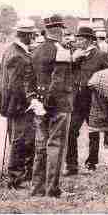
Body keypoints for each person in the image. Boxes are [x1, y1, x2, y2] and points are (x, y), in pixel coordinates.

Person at [29, 14, 74, 198]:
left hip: (39, 105)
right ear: (56, 29)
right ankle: (52, 190)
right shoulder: (61, 51)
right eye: (62, 28)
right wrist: (48, 102)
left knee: (40, 147)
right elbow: (57, 81)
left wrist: (36, 100)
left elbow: (29, 79)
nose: (64, 31)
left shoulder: (36, 51)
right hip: (58, 106)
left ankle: (36, 188)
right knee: (55, 146)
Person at [64, 26, 108, 176]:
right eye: (77, 39)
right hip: (78, 101)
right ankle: (71, 165)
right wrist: (73, 60)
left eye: (80, 39)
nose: (77, 42)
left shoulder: (101, 55)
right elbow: (68, 73)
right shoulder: (75, 55)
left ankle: (92, 162)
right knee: (71, 131)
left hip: (94, 101)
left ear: (89, 40)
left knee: (94, 132)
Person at [0, 19, 36, 189]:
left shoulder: (8, 51)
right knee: (21, 140)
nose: (33, 37)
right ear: (26, 35)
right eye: (32, 34)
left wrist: (3, 99)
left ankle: (17, 175)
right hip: (20, 107)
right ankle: (15, 178)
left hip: (11, 105)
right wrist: (29, 102)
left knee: (17, 139)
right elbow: (18, 86)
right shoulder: (20, 56)